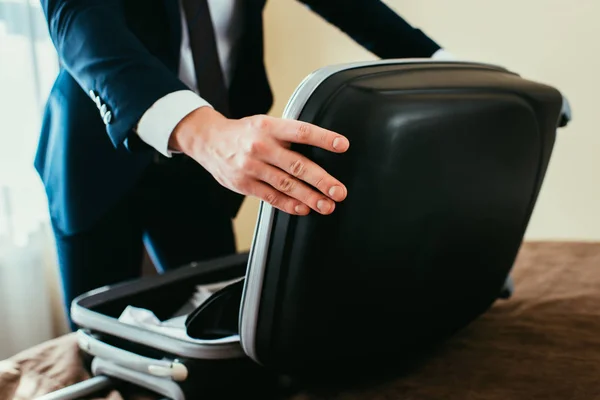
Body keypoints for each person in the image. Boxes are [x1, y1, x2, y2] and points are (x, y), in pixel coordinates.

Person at [35, 0, 454, 326]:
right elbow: (77, 17)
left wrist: (451, 72)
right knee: (97, 337)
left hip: (203, 168)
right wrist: (203, 133)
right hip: (95, 156)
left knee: (214, 317)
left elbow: (356, 9)